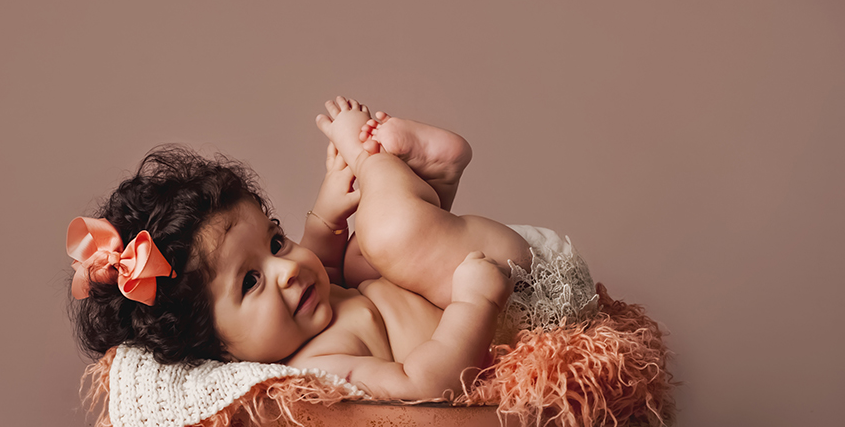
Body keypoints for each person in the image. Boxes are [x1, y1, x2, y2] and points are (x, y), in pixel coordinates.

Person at [68, 98, 573, 400]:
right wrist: (475, 303)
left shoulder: (306, 309)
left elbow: (321, 264)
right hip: (515, 301)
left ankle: (424, 186)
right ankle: (381, 163)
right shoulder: (320, 367)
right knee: (381, 239)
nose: (288, 269)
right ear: (217, 351)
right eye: (250, 280)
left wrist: (327, 215)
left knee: (354, 260)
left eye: (275, 240)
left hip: (478, 271)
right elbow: (423, 386)